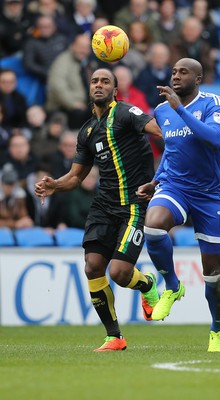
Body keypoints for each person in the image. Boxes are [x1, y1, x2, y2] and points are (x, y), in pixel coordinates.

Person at [35, 68, 162, 352]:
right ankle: (114, 336)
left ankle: (147, 284)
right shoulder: (87, 131)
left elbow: (162, 132)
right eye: (95, 81)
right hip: (103, 206)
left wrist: (161, 175)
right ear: (89, 88)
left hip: (133, 206)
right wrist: (54, 184)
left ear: (115, 90)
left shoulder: (129, 113)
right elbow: (76, 177)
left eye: (105, 81)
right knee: (93, 267)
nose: (99, 85)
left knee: (118, 272)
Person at [137, 58, 220, 352]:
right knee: (152, 225)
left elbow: (214, 139)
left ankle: (217, 329)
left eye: (183, 72)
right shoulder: (162, 110)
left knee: (212, 275)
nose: (176, 76)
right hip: (175, 185)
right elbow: (172, 150)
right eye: (174, 71)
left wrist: (180, 108)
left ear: (198, 78)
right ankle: (172, 285)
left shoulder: (211, 102)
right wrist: (156, 180)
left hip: (209, 194)